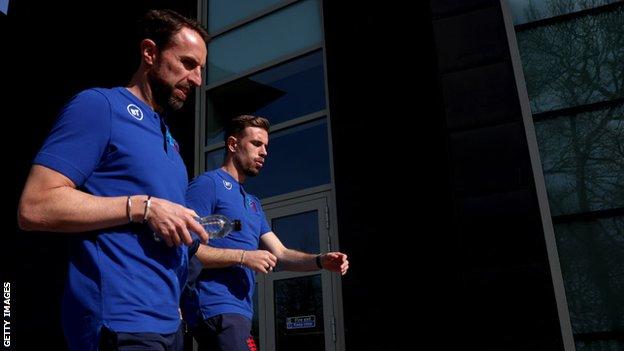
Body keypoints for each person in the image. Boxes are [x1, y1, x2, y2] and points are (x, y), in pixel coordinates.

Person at [17, 9, 210, 351]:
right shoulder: (100, 105)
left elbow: (168, 232)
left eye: (200, 70)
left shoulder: (171, 144)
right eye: (187, 63)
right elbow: (35, 206)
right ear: (150, 53)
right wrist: (143, 207)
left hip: (169, 324)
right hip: (120, 321)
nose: (196, 79)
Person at [182, 115, 350, 351]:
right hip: (214, 305)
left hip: (240, 311)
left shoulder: (253, 204)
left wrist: (320, 261)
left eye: (266, 146)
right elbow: (184, 249)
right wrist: (243, 256)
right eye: (256, 144)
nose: (264, 152)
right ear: (232, 144)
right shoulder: (208, 185)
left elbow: (280, 253)